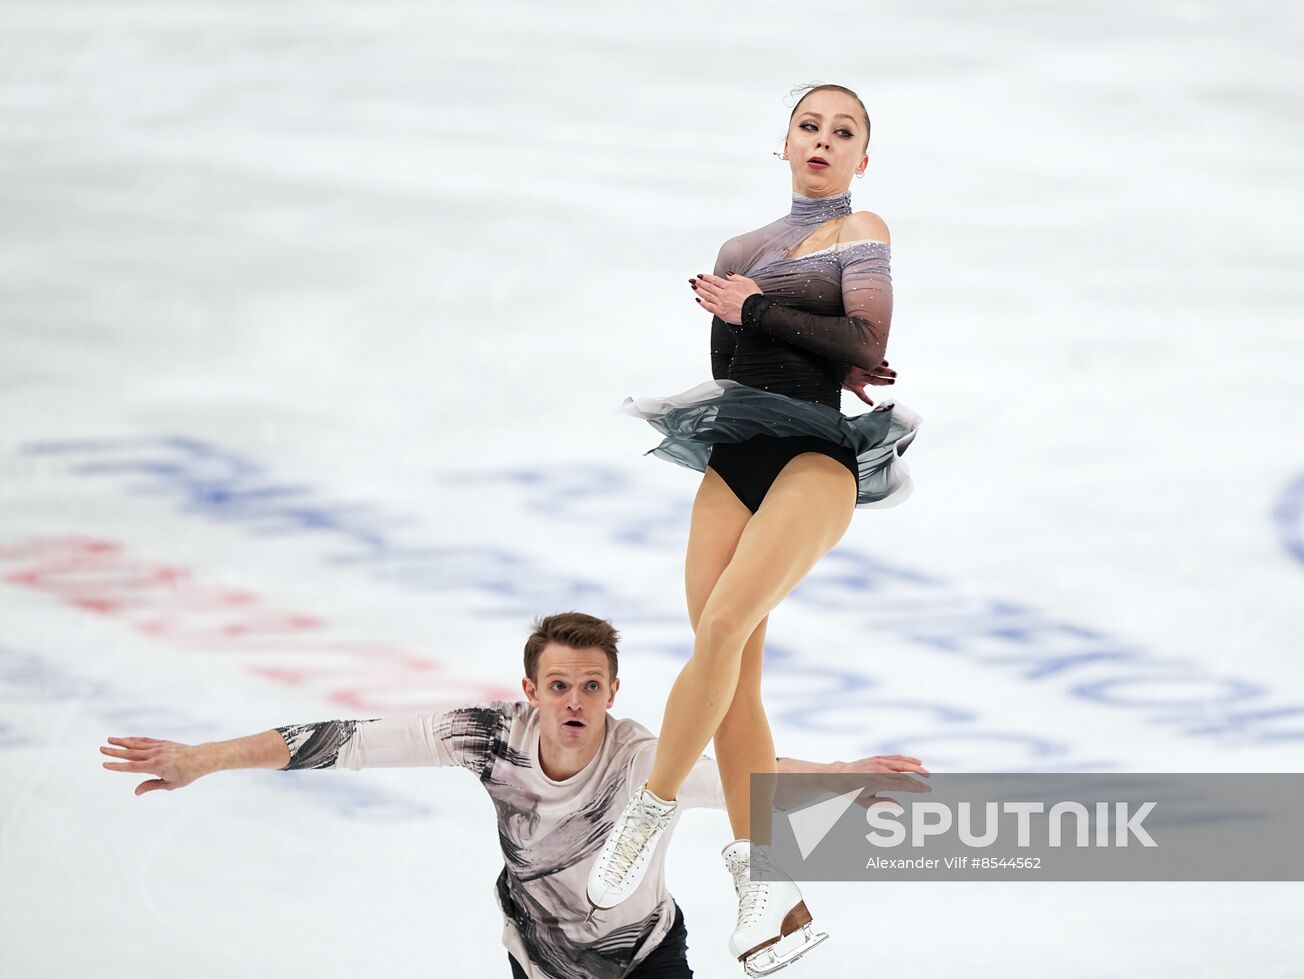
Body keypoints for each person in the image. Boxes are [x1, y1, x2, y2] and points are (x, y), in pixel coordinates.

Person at [99, 611, 927, 979]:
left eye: (591, 685)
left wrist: (848, 778)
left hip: (644, 960)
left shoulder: (644, 756)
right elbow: (346, 741)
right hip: (537, 960)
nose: (575, 700)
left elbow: (749, 775)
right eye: (559, 683)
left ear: (612, 689)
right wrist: (205, 756)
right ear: (529, 688)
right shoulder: (488, 737)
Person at [587, 83, 922, 976]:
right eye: (809, 126)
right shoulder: (740, 248)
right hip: (738, 449)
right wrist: (757, 321)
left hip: (819, 458)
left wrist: (758, 311)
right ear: (783, 144)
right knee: (728, 673)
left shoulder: (864, 232)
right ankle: (769, 894)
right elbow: (735, 364)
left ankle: (645, 820)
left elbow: (866, 340)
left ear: (861, 157)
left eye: (843, 131)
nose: (824, 139)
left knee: (726, 627)